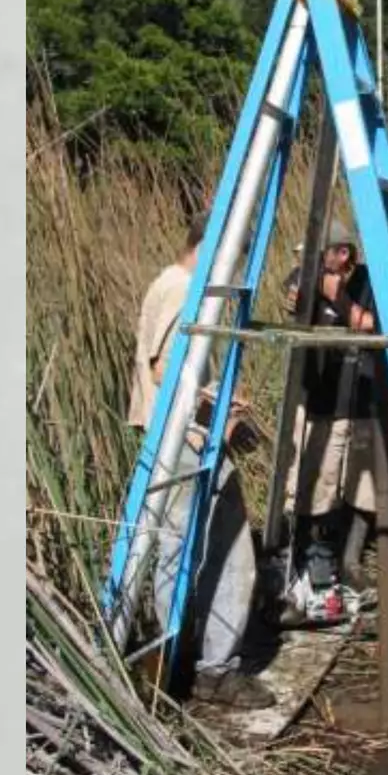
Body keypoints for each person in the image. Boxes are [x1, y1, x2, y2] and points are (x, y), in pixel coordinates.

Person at [128, 210, 273, 710]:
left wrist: (222, 408)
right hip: (182, 443)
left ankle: (184, 666)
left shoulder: (180, 287)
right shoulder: (179, 288)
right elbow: (167, 369)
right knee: (213, 554)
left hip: (190, 438)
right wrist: (217, 407)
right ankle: (202, 671)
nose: (234, 269)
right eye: (233, 254)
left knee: (191, 554)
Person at [282, 219, 388, 626]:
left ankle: (348, 563)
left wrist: (338, 298)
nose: (306, 261)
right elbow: (292, 301)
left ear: (341, 254)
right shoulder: (304, 277)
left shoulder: (367, 281)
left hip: (361, 398)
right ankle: (311, 571)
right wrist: (300, 299)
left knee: (361, 490)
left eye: (317, 253)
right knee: (315, 488)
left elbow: (369, 324)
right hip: (318, 401)